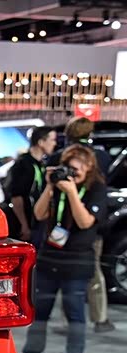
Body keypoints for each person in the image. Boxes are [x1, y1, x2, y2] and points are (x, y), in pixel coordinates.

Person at [22, 145, 108, 353]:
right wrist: (50, 186)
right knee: (40, 308)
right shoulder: (58, 186)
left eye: (76, 170)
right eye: (69, 168)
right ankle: (32, 350)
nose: (72, 174)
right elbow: (39, 214)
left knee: (74, 311)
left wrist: (72, 193)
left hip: (77, 262)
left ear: (89, 167)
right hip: (49, 257)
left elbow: (85, 222)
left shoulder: (97, 189)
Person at [48, 117, 114, 333]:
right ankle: (100, 318)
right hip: (89, 224)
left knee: (63, 273)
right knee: (94, 271)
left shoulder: (59, 158)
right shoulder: (101, 156)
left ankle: (70, 321)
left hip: (64, 223)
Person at [2, 126, 56, 242]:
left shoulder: (41, 164)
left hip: (36, 220)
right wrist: (24, 225)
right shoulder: (23, 164)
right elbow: (16, 197)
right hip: (25, 223)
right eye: (52, 140)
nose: (54, 143)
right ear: (41, 142)